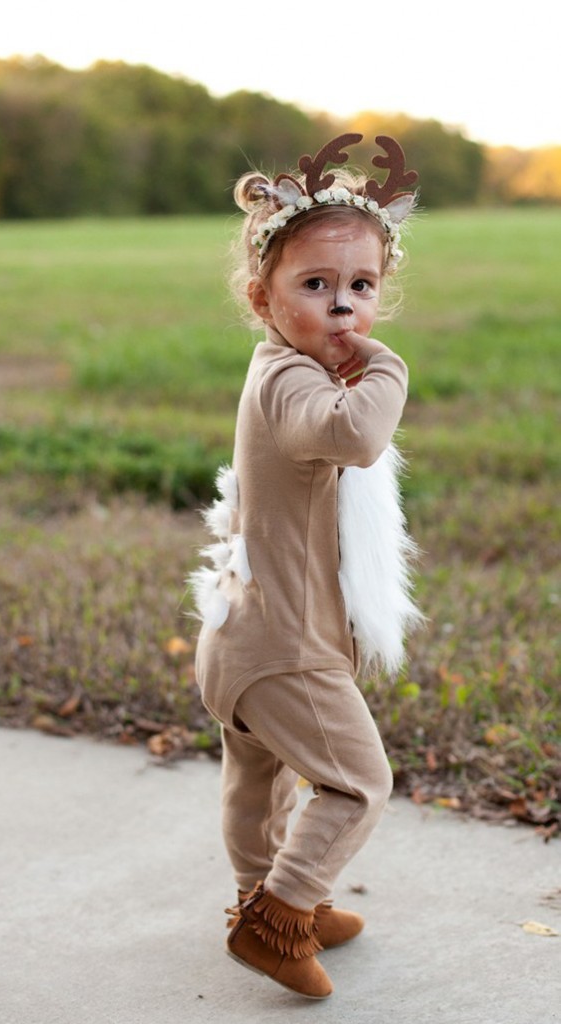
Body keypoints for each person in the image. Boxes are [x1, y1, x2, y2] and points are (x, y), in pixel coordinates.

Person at [189, 133, 424, 1000]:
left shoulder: (282, 366)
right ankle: (275, 920)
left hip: (244, 633)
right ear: (263, 298)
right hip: (284, 643)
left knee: (258, 790)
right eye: (315, 286)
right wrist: (388, 365)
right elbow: (357, 438)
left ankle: (282, 893)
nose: (343, 309)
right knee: (358, 781)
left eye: (361, 288)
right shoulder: (295, 383)